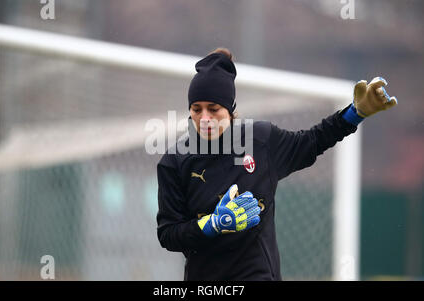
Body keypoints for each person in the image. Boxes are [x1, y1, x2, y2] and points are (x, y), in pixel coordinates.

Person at [156, 47, 397, 280]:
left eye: (213, 109)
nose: (204, 118)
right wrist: (212, 224)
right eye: (196, 109)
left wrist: (354, 113)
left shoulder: (261, 141)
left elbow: (313, 141)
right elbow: (168, 234)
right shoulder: (175, 162)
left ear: (230, 110)